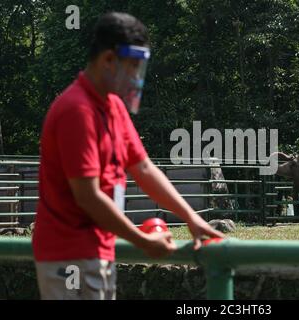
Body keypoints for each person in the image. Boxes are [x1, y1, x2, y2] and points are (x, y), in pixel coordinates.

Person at [32, 12, 225, 300]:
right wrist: (143, 241)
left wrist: (190, 217)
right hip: (69, 259)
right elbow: (88, 196)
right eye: (133, 66)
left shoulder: (113, 107)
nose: (136, 77)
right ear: (108, 60)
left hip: (98, 251)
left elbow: (144, 168)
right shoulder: (77, 110)